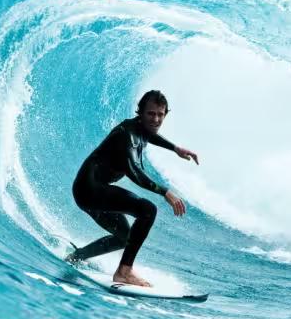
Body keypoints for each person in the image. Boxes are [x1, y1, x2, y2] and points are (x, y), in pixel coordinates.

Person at [67, 90, 198, 287]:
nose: (155, 119)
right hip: (89, 189)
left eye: (160, 115)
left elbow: (150, 135)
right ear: (141, 113)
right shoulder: (126, 136)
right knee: (148, 210)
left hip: (89, 190)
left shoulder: (140, 128)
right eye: (150, 114)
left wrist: (175, 148)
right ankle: (124, 271)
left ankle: (77, 257)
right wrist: (165, 192)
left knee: (124, 237)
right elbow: (134, 172)